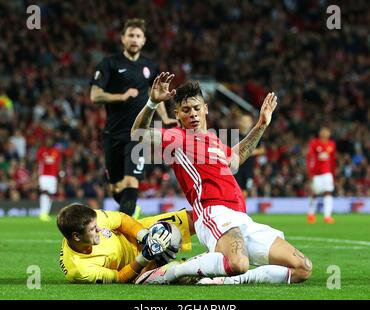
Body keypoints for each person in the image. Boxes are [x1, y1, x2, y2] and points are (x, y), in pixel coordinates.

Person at [131, 72, 313, 285]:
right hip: (213, 212)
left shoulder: (215, 140)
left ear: (205, 109)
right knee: (238, 263)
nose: (193, 114)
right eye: (186, 110)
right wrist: (153, 102)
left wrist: (261, 125)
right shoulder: (177, 137)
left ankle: (227, 281)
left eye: (197, 108)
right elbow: (138, 133)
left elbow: (235, 160)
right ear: (177, 114)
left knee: (302, 268)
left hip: (242, 217)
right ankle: (172, 272)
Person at [89, 18, 177, 218]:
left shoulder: (149, 66)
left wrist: (165, 118)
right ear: (123, 38)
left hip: (138, 132)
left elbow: (156, 95)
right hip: (113, 132)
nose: (134, 39)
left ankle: (124, 229)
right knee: (116, 186)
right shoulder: (109, 63)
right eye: (131, 35)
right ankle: (130, 208)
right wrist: (121, 96)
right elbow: (95, 95)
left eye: (138, 36)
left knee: (131, 181)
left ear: (144, 40)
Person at [57, 203, 193, 284]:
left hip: (136, 234)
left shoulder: (89, 217)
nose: (99, 228)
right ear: (76, 237)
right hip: (136, 267)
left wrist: (146, 237)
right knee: (179, 271)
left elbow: (121, 220)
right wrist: (145, 257)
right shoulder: (80, 270)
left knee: (190, 218)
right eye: (93, 229)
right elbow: (119, 277)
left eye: (96, 225)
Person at [306, 126, 336, 224]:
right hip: (316, 174)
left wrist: (333, 172)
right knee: (314, 193)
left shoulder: (332, 144)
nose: (325, 133)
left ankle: (327, 216)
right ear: (320, 133)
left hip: (327, 173)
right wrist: (310, 172)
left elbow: (332, 160)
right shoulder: (314, 143)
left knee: (328, 192)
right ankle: (311, 214)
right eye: (323, 131)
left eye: (327, 131)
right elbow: (310, 157)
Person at [233, 113, 266, 198]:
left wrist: (249, 152)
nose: (246, 123)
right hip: (236, 167)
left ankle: (243, 210)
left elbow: (263, 150)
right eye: (244, 121)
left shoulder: (255, 135)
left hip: (248, 167)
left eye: (248, 121)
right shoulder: (234, 135)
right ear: (239, 122)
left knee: (245, 191)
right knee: (237, 190)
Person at [36, 136, 62, 222]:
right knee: (44, 193)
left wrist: (60, 174)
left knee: (51, 195)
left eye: (50, 140)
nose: (49, 142)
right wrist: (36, 174)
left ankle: (46, 213)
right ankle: (42, 213)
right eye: (47, 140)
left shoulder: (56, 151)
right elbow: (38, 163)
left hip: (53, 176)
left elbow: (59, 164)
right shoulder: (41, 150)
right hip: (44, 175)